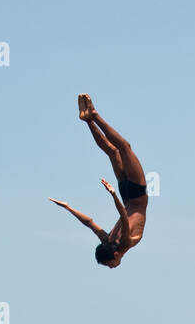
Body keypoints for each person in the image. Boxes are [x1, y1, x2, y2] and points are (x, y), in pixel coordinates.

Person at [50, 95, 149, 269]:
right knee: (113, 152)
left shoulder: (126, 242)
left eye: (111, 263)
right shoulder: (107, 240)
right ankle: (88, 120)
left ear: (116, 254)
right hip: (126, 193)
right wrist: (67, 207)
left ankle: (94, 115)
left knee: (124, 148)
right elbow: (89, 223)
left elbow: (124, 216)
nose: (112, 267)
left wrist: (112, 195)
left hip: (135, 194)